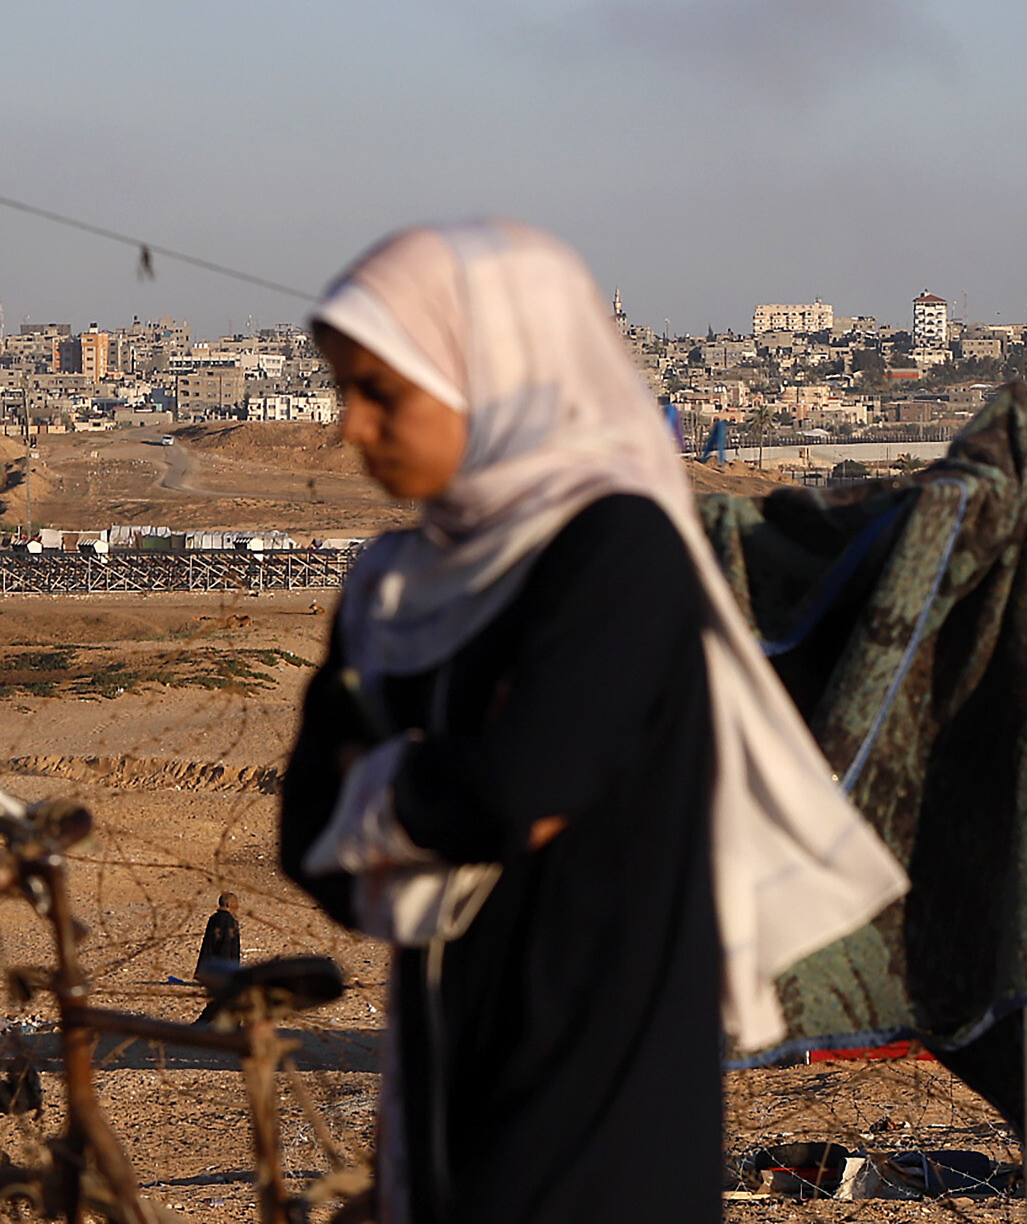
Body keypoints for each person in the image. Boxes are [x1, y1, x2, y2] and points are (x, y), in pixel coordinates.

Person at [279, 221, 904, 1224]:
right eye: (342, 390)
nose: (350, 425)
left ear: (496, 380)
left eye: (381, 391)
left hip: (596, 1077)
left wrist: (384, 782)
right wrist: (446, 790)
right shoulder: (393, 589)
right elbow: (309, 841)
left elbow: (522, 785)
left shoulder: (615, 551)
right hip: (440, 1073)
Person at [196, 892, 240, 975]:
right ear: (228, 905)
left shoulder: (213, 918)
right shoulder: (231, 921)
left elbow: (207, 945)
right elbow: (230, 946)